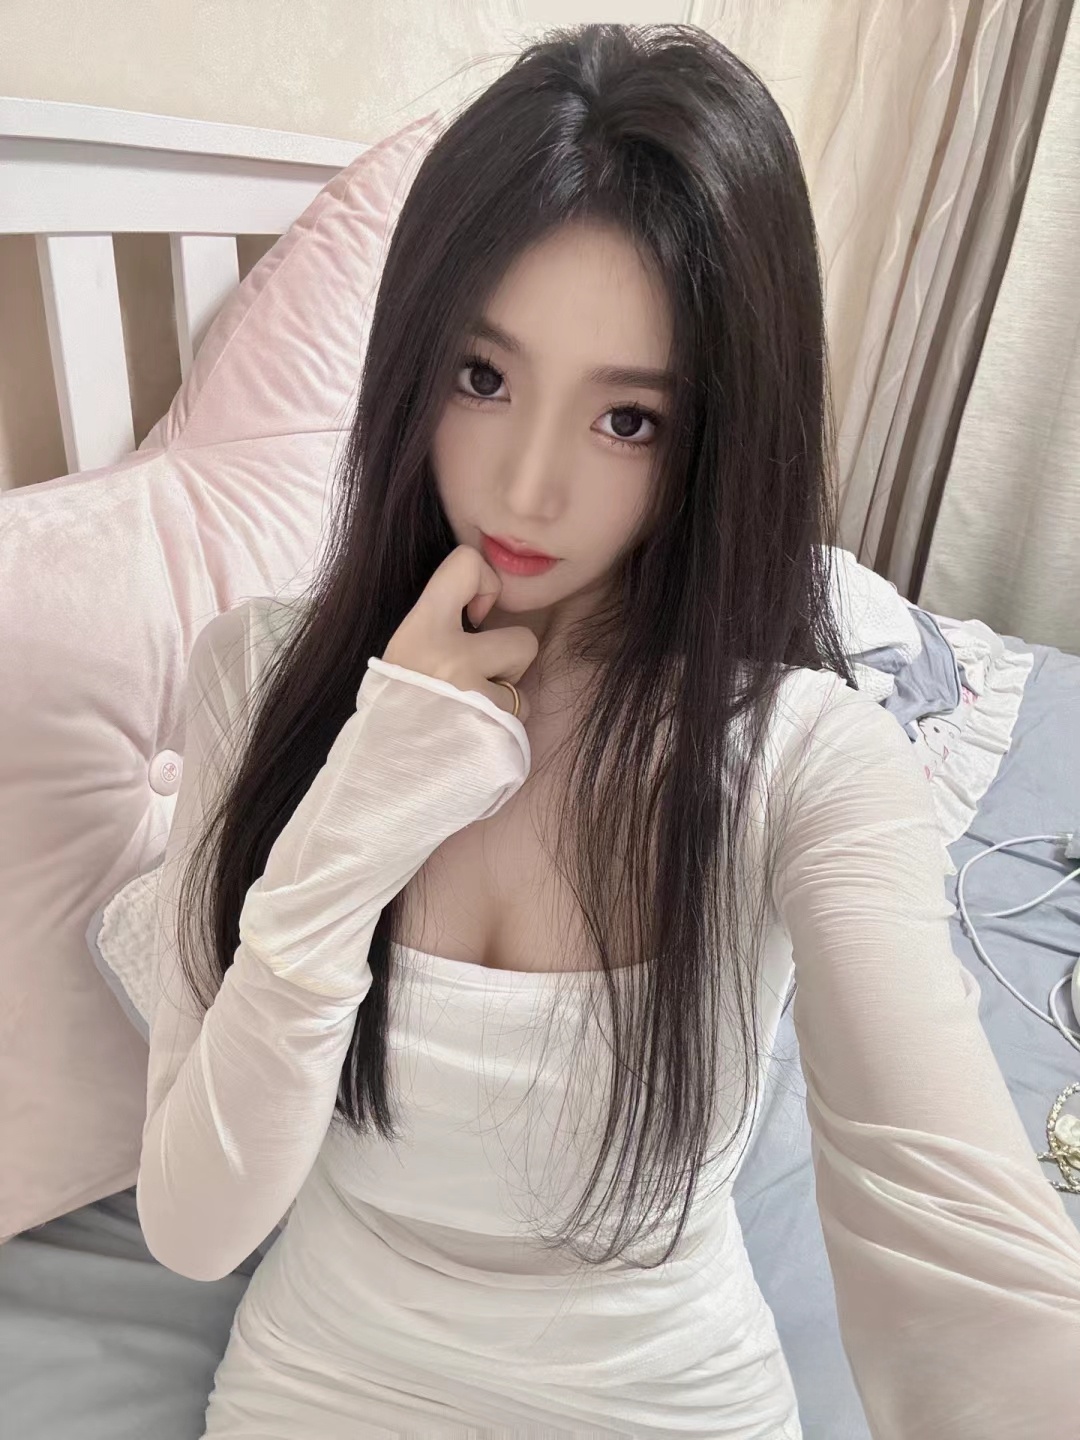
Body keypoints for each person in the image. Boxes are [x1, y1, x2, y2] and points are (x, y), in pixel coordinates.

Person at [137, 21, 1080, 1440]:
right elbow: (197, 1225)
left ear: (718, 437)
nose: (526, 487)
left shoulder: (806, 760)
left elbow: (956, 1240)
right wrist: (356, 812)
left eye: (628, 420)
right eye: (482, 377)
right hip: (330, 1375)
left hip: (661, 1393)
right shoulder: (258, 679)